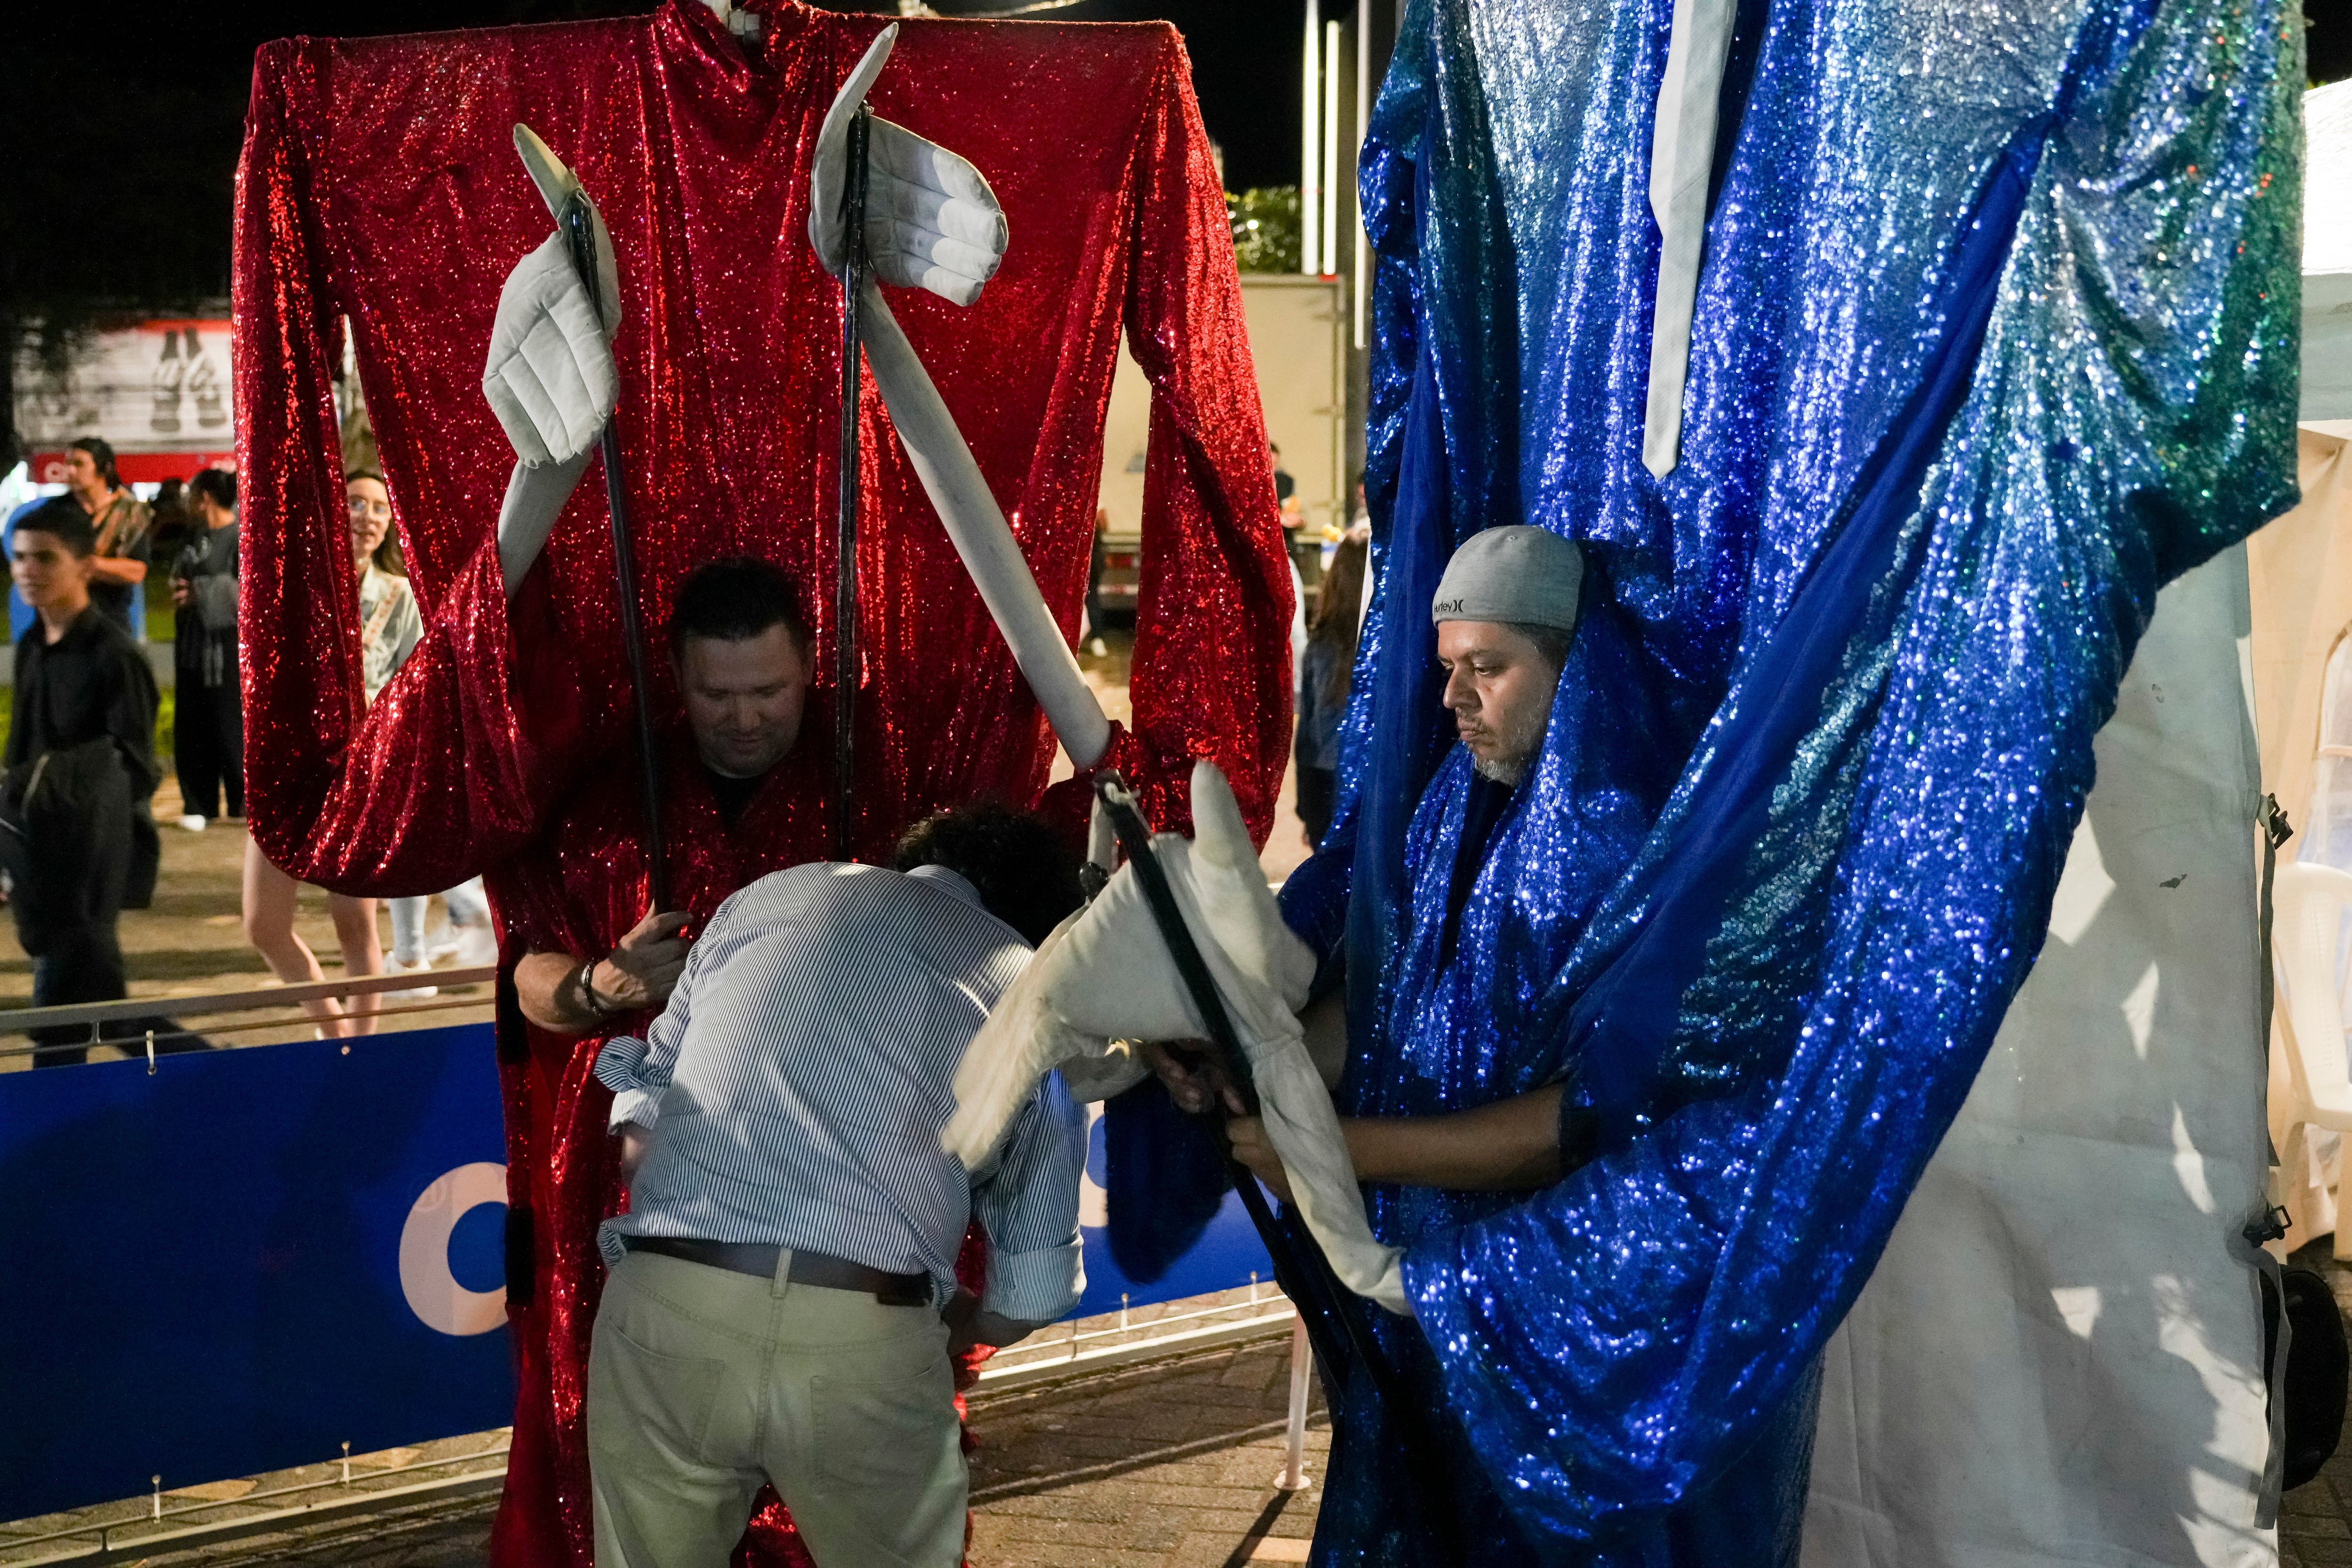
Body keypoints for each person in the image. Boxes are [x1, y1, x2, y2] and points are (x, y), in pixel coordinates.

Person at [588, 805, 1087, 1568]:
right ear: (1037, 917)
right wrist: (936, 1326)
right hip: (866, 1327)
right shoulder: (1029, 986)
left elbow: (642, 1100)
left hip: (666, 1298)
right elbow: (1030, 1295)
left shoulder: (769, 895)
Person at [512, 556, 817, 1036]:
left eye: (767, 691)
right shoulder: (610, 794)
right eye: (715, 696)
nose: (744, 720)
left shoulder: (873, 772)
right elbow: (529, 978)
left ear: (809, 663)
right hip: (654, 1102)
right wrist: (600, 985)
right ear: (675, 673)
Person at [239, 472, 417, 1036]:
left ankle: (361, 1049)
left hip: (355, 779)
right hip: (287, 772)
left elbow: (416, 687)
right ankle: (330, 1028)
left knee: (353, 925)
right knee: (263, 925)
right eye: (355, 504)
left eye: (378, 509)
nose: (366, 516)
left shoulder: (398, 595)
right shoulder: (296, 590)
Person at [0, 499, 163, 1065]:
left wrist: (77, 794)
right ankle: (211, 1071)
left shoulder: (115, 656)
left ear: (86, 566)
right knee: (96, 1009)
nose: (27, 570)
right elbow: (19, 755)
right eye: (19, 557)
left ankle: (218, 1075)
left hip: (92, 857)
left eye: (45, 557)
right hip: (38, 851)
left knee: (63, 1012)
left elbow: (139, 767)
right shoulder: (30, 649)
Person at [171, 467, 242, 828]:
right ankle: (198, 803)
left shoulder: (241, 538)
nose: (186, 502)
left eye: (191, 494)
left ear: (206, 498)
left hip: (229, 650)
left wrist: (202, 592)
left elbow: (249, 592)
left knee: (232, 722)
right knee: (194, 724)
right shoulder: (193, 537)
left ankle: (243, 804)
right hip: (193, 647)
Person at [1294, 534, 1367, 848]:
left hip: (1324, 785)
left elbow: (1308, 735)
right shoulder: (1387, 650)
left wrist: (1306, 809)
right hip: (1370, 787)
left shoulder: (1322, 647)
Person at [59, 437, 153, 632]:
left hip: (112, 624)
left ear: (104, 468)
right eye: (67, 464)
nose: (70, 471)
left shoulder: (130, 513)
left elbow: (137, 571)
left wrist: (93, 565)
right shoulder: (55, 512)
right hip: (63, 625)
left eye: (79, 464)